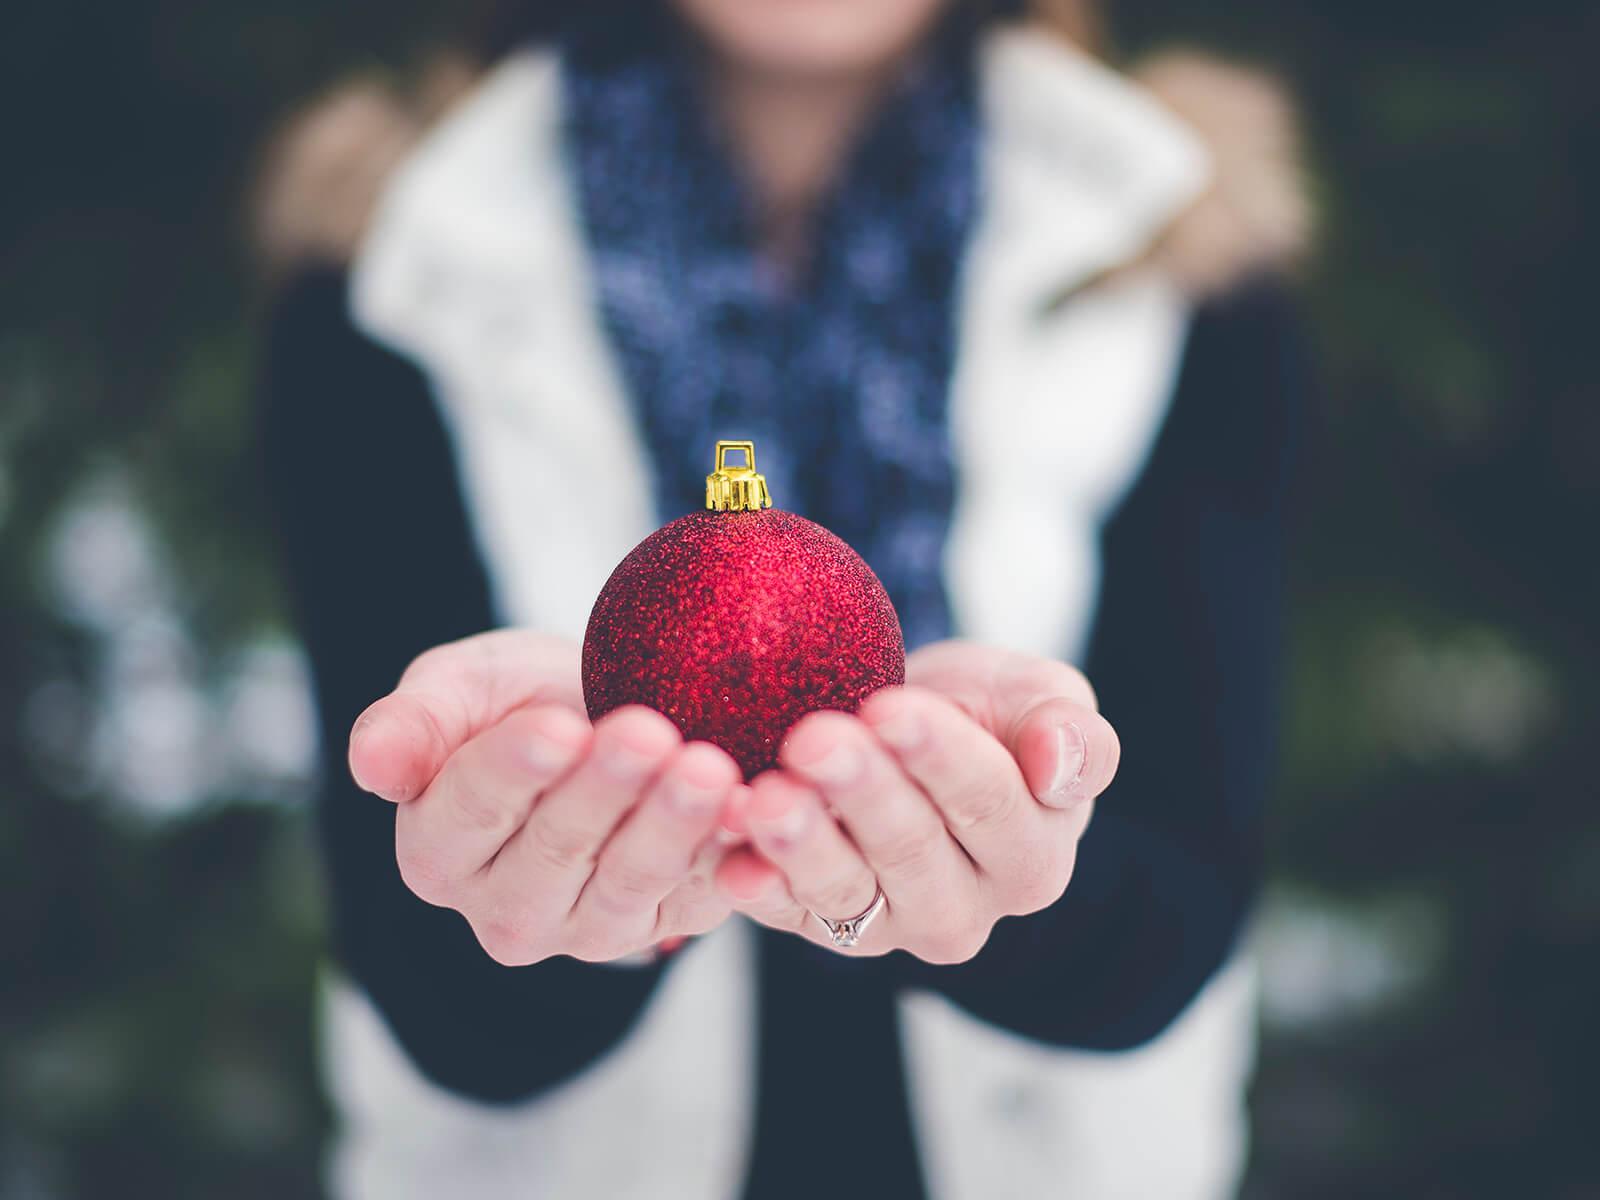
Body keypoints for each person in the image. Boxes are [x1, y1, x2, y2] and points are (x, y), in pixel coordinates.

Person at [254, 1, 1311, 1196]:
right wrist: (574, 895)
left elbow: (1183, 890)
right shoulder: (397, 252)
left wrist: (1001, 871)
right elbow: (428, 981)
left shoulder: (1176, 235)